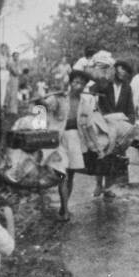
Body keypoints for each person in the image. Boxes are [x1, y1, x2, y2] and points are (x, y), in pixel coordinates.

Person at [49, 69, 93, 221]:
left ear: (84, 86)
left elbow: (87, 124)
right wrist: (41, 103)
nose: (77, 85)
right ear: (70, 83)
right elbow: (47, 106)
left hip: (75, 138)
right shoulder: (60, 98)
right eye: (75, 82)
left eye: (81, 83)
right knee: (63, 174)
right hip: (60, 138)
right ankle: (66, 211)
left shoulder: (85, 102)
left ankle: (64, 206)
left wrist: (93, 144)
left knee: (71, 175)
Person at [92, 59, 136, 196]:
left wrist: (129, 124)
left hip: (120, 124)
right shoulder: (105, 84)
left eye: (126, 71)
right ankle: (99, 184)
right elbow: (91, 90)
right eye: (121, 68)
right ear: (115, 69)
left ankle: (114, 186)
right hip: (104, 122)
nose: (123, 72)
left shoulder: (127, 88)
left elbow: (130, 109)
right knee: (103, 152)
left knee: (118, 154)